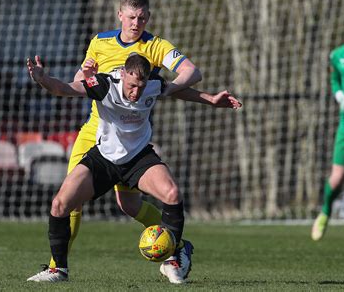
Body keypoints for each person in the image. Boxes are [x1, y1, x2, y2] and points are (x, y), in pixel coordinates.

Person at [26, 53, 240, 284]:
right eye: (132, 85)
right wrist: (42, 78)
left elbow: (176, 91)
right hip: (104, 159)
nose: (136, 92)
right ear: (123, 74)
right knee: (60, 204)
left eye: (141, 86)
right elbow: (63, 89)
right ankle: (59, 270)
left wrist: (211, 99)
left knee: (172, 194)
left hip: (138, 158)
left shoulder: (153, 84)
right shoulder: (104, 83)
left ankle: (175, 259)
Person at [46, 0, 205, 284]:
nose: (136, 23)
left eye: (142, 17)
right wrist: (85, 72)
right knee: (70, 202)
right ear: (120, 15)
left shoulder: (156, 46)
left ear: (149, 17)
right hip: (95, 131)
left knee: (130, 206)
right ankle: (57, 267)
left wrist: (168, 89)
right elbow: (78, 82)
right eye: (131, 17)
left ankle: (176, 247)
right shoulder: (100, 41)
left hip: (131, 139)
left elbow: (190, 72)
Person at [311, 9, 344, 241]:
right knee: (338, 177)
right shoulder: (338, 55)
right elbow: (335, 82)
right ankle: (325, 211)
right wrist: (342, 97)